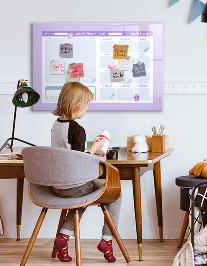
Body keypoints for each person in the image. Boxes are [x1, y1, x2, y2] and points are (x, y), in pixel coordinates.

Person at [51, 82, 121, 263]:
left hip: (57, 186)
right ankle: (107, 240)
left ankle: (63, 238)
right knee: (116, 194)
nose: (86, 110)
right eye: (86, 105)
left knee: (81, 197)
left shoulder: (56, 125)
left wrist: (90, 149)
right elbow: (79, 161)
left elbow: (68, 154)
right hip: (74, 186)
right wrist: (96, 148)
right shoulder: (77, 129)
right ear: (77, 104)